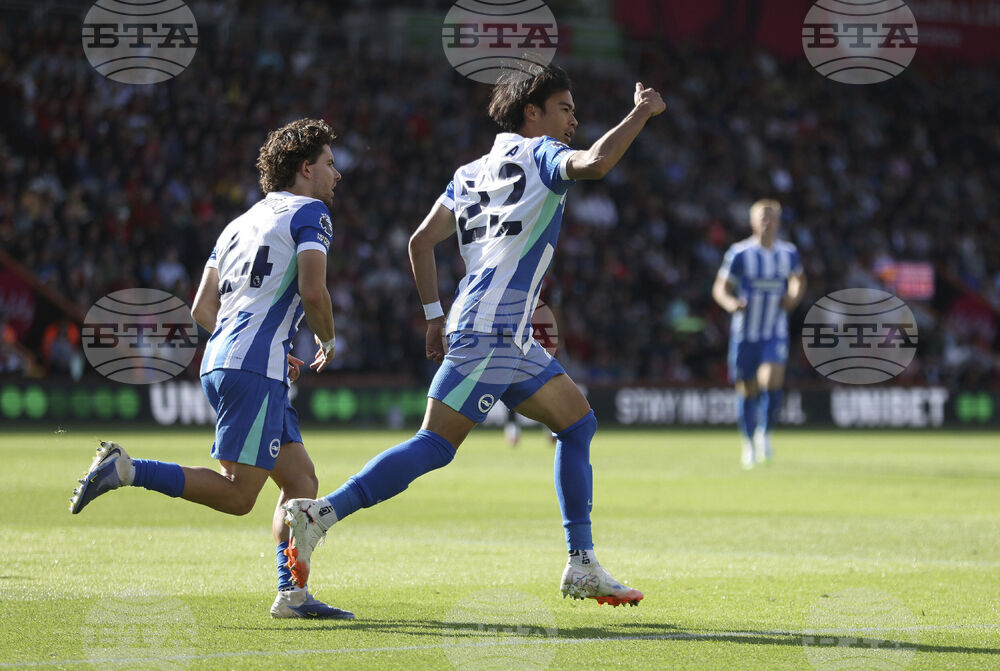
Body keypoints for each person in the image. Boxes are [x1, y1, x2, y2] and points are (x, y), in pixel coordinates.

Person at [281, 65, 664, 608]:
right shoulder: (542, 154)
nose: (574, 120)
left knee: (578, 423)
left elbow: (420, 241)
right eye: (565, 109)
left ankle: (582, 564)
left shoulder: (468, 173)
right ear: (532, 113)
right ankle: (322, 514)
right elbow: (597, 163)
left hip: (501, 332)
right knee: (434, 445)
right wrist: (642, 112)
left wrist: (435, 315)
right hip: (492, 332)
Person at [69, 118, 354, 619]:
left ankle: (293, 595)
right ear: (305, 169)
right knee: (239, 495)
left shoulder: (236, 225)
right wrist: (326, 339)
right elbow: (313, 291)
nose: (337, 173)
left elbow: (202, 309)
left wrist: (260, 343)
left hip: (226, 359)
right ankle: (126, 469)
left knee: (301, 482)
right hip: (252, 369)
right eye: (330, 163)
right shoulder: (312, 213)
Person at [712, 199, 805, 468]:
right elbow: (720, 288)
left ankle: (765, 433)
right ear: (752, 222)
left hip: (774, 330)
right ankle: (748, 442)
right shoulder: (740, 253)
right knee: (747, 388)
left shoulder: (788, 252)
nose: (767, 222)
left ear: (778, 221)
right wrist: (732, 304)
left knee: (771, 380)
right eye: (762, 217)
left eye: (771, 217)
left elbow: (799, 278)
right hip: (745, 333)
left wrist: (793, 296)